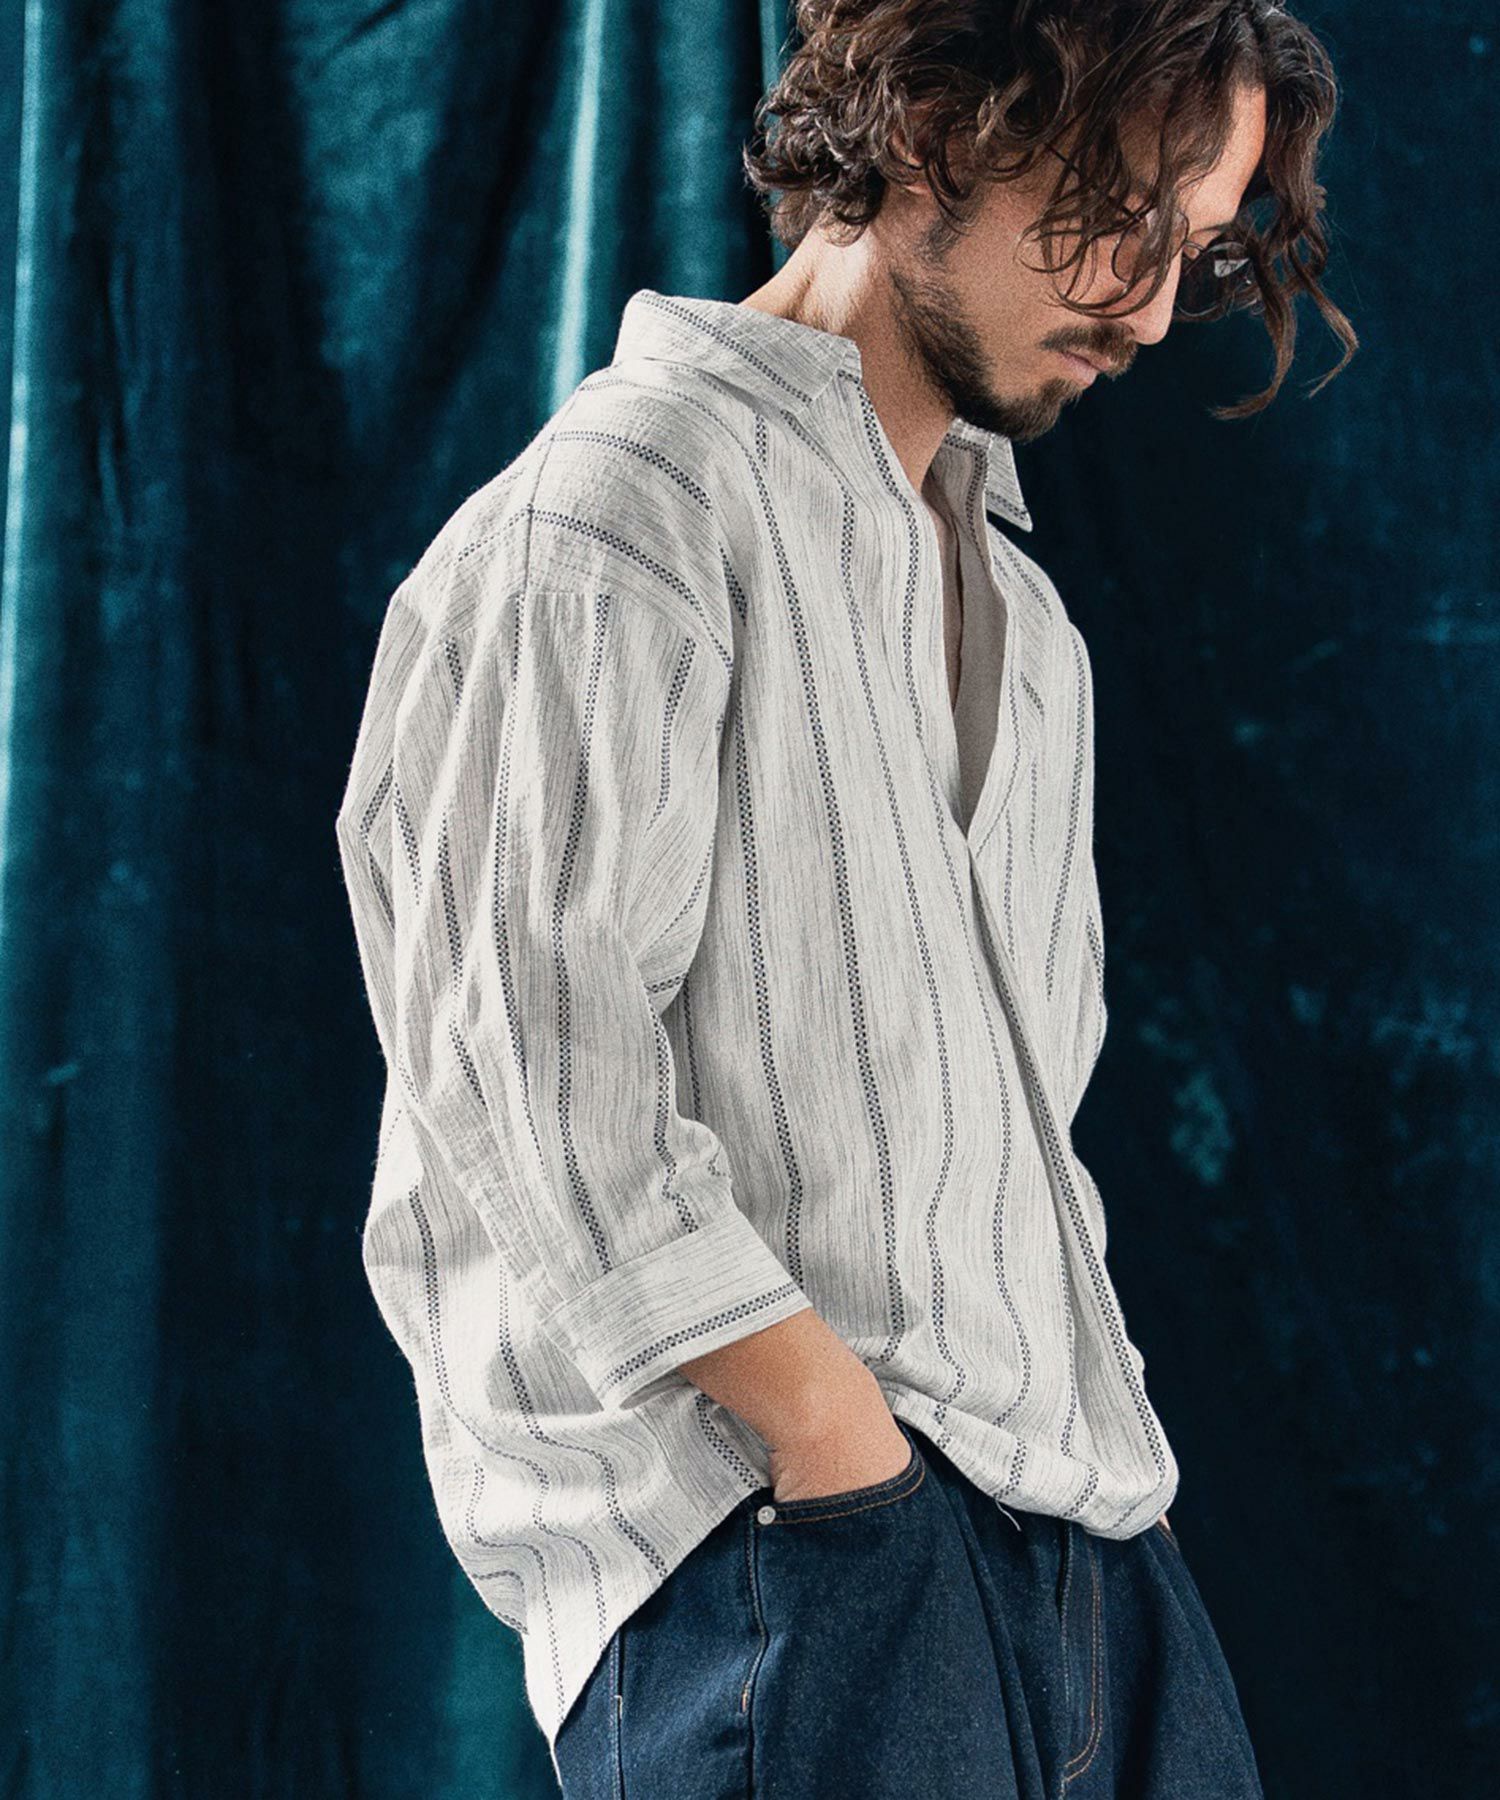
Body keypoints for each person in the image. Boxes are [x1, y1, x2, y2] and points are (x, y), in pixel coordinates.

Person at [333, 1, 1355, 1793]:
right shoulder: (625, 509)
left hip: (1092, 1560)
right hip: (799, 1560)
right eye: (1121, 213)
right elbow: (534, 1075)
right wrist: (835, 1449)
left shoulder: (1031, 628)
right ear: (943, 129)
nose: (1148, 308)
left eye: (1193, 250)